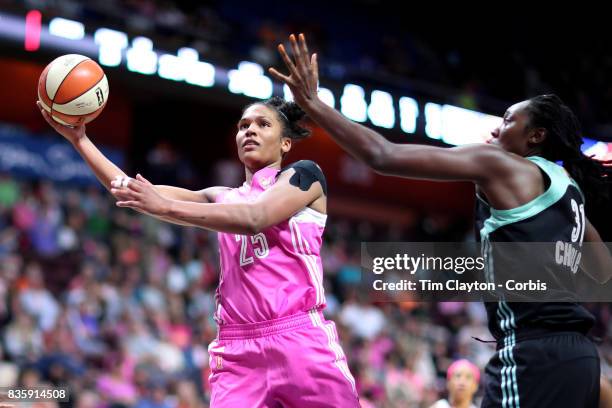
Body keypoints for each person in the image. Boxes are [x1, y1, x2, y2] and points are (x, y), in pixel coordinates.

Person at [270, 33, 612, 408]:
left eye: (509, 120)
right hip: (581, 359)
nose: (497, 128)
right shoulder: (570, 194)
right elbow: (602, 270)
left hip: (533, 355)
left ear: (536, 136)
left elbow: (382, 155)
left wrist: (313, 103)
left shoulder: (501, 164)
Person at [36, 96, 359, 407]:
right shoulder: (221, 196)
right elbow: (127, 189)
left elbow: (255, 218)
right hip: (237, 349)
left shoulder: (305, 176)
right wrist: (81, 140)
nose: (250, 130)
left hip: (298, 337)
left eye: (263, 124)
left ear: (285, 143)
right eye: (243, 125)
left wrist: (167, 207)